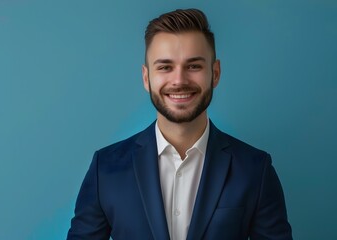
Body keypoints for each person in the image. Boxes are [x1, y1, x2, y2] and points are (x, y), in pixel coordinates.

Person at [67, 8, 292, 240]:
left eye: (194, 66)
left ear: (215, 73)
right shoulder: (104, 169)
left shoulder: (256, 170)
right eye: (165, 67)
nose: (179, 80)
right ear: (147, 78)